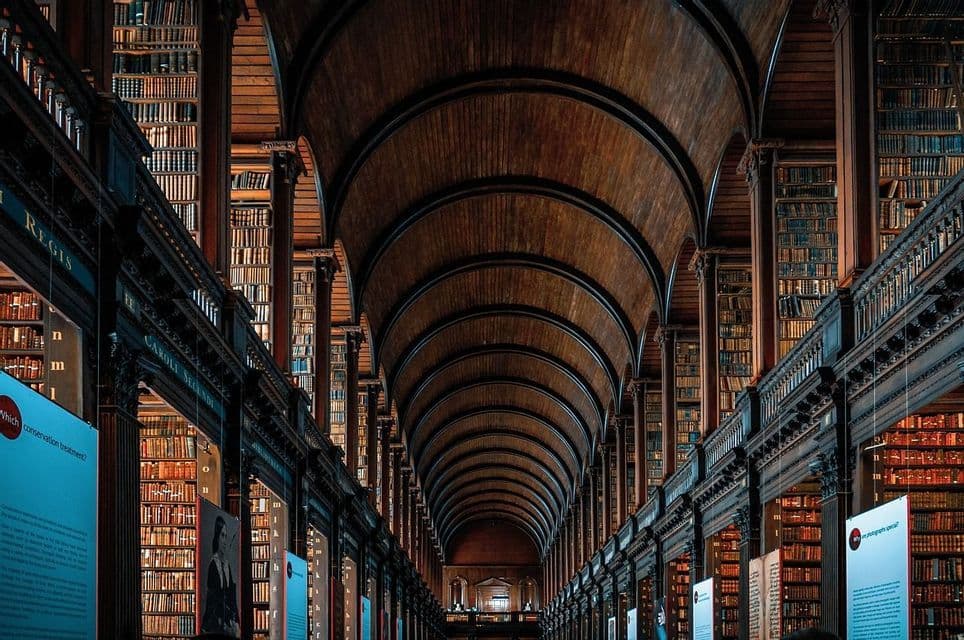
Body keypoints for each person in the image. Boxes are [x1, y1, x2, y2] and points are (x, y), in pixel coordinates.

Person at [200, 515, 241, 636]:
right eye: (222, 535)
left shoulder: (226, 565)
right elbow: (213, 600)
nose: (224, 540)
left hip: (226, 619)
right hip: (215, 622)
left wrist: (236, 622)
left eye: (226, 536)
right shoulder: (213, 565)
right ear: (217, 537)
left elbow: (231, 597)